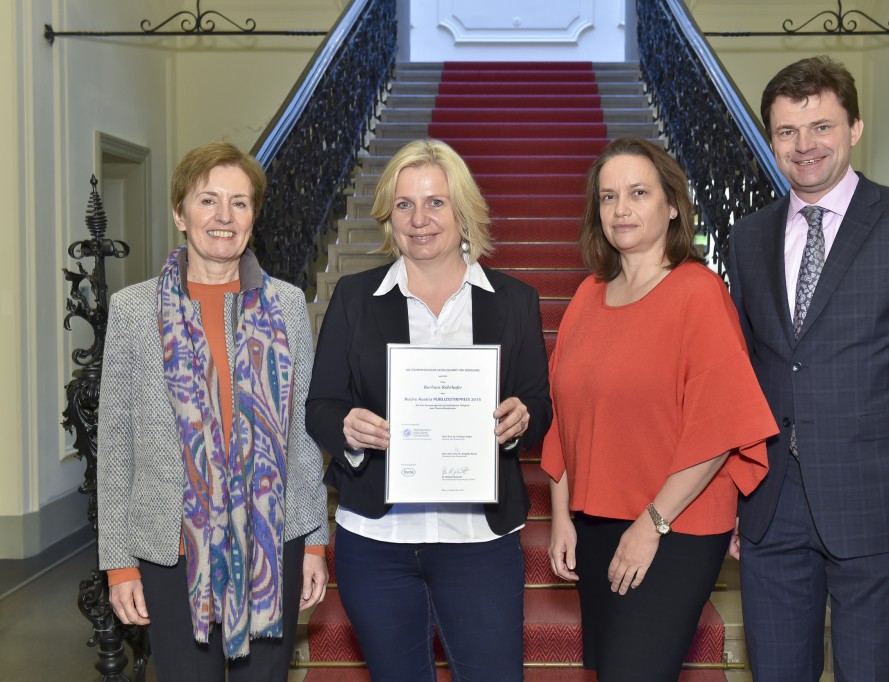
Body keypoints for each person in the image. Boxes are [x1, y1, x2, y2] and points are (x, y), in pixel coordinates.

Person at [726, 56, 889, 681]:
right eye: (786, 132)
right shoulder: (747, 239)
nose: (805, 147)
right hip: (771, 509)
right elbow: (743, 377)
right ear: (772, 139)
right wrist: (733, 496)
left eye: (822, 127)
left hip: (878, 516)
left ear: (855, 127)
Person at [305, 138, 552, 682]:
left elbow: (539, 400)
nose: (420, 220)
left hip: (479, 543)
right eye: (404, 205)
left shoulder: (514, 301)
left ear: (462, 210)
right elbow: (319, 406)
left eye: (436, 202)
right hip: (377, 542)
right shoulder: (353, 298)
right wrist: (346, 426)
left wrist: (519, 422)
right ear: (388, 218)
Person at [542, 137, 778, 682]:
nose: (621, 209)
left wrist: (652, 524)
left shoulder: (699, 294)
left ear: (672, 205)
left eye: (638, 192)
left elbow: (721, 427)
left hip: (675, 524)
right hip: (597, 518)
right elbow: (562, 417)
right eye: (607, 197)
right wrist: (560, 516)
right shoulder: (585, 298)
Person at [97, 141, 330, 681]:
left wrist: (315, 539)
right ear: (180, 213)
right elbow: (114, 445)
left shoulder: (287, 305)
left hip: (272, 540)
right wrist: (118, 563)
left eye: (240, 203)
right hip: (170, 546)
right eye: (208, 200)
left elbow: (299, 436)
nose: (224, 217)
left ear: (253, 217)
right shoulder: (134, 310)